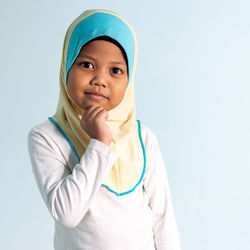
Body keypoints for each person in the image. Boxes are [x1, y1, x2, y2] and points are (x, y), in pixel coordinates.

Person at [27, 9, 182, 250]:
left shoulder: (142, 138)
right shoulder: (47, 137)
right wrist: (99, 143)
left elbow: (163, 219)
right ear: (67, 64)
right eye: (87, 64)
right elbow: (67, 213)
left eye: (115, 71)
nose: (100, 79)